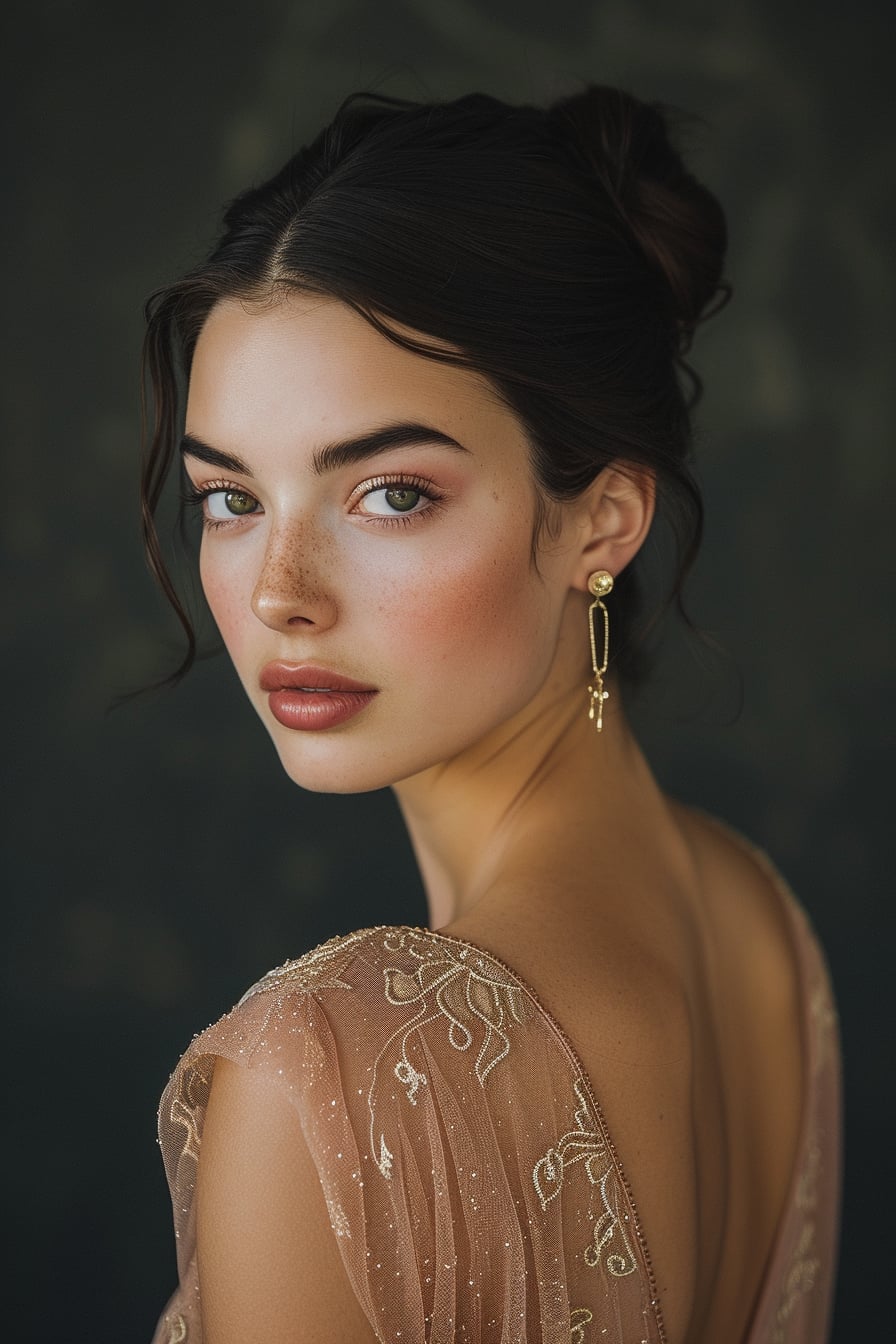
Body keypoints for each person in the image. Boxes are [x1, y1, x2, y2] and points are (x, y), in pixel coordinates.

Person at [142, 86, 840, 1344]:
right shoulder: (753, 921)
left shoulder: (332, 1070)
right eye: (230, 499)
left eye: (392, 494)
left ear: (602, 522)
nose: (280, 596)